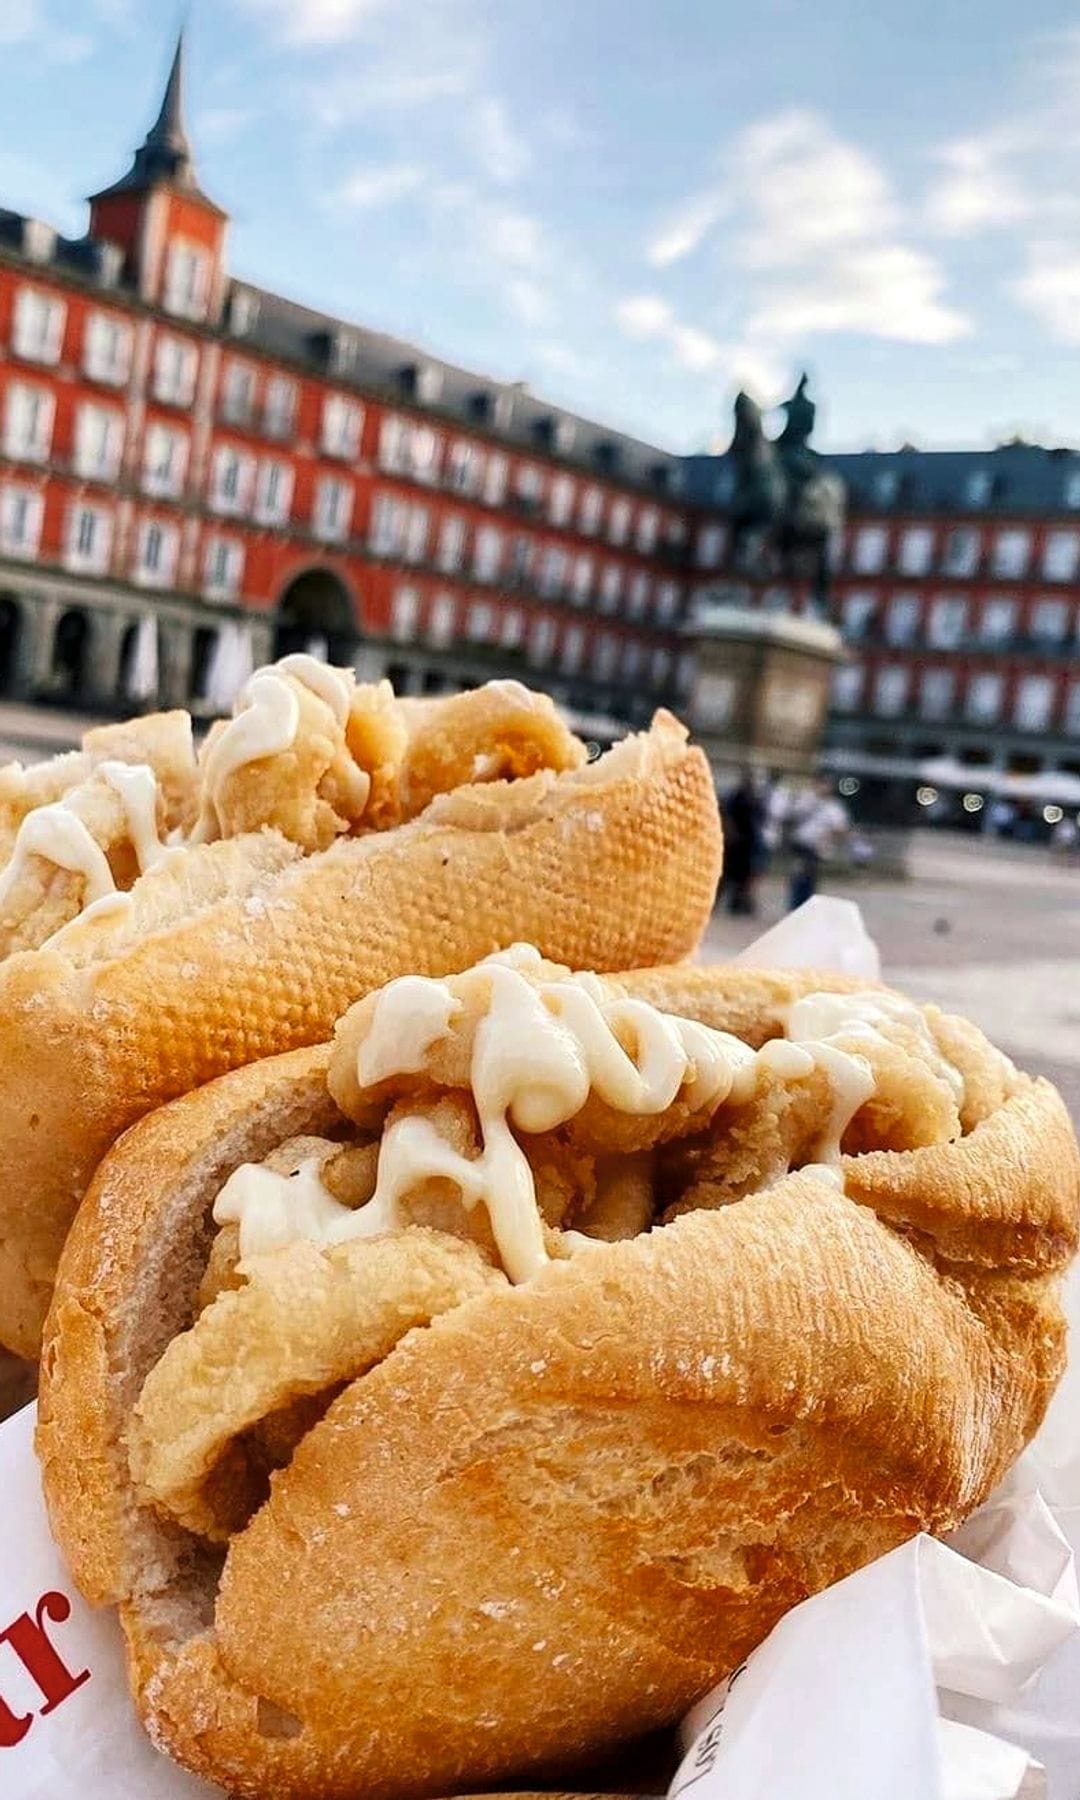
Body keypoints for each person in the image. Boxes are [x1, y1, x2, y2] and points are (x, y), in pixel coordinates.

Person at [786, 777, 850, 911]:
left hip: (818, 848)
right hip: (802, 844)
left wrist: (831, 840)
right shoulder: (806, 800)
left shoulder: (834, 807)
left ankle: (805, 908)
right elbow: (791, 816)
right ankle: (794, 907)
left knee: (810, 879)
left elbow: (840, 828)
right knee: (798, 876)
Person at [721, 770, 766, 916]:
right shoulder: (737, 796)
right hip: (737, 843)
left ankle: (741, 904)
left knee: (745, 876)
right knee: (731, 875)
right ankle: (735, 903)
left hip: (749, 843)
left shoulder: (755, 798)